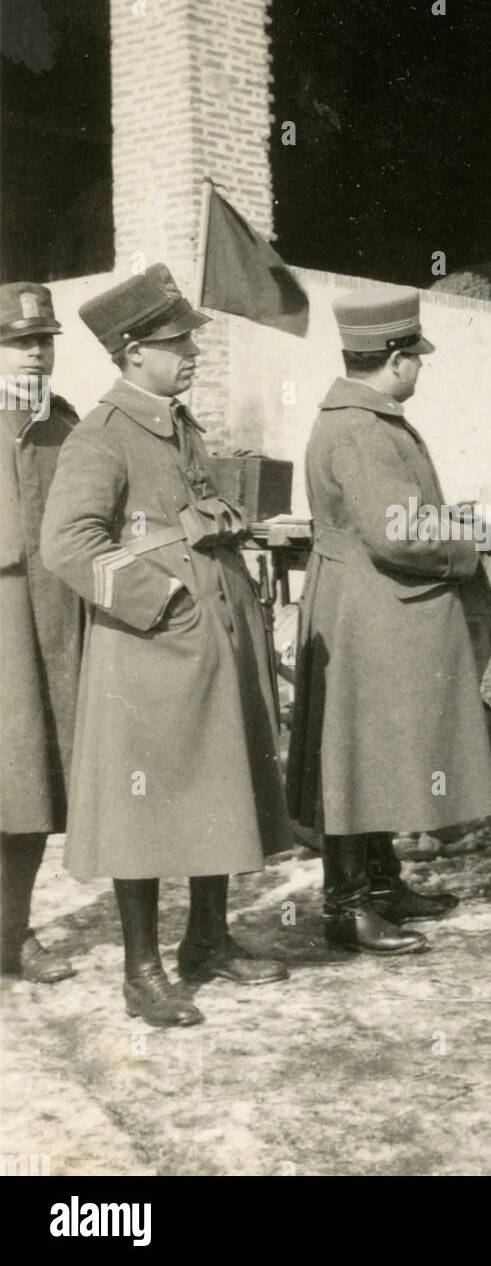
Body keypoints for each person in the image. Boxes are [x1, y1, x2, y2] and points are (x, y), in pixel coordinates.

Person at [41, 265, 291, 1025]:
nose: (192, 353)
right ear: (131, 351)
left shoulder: (177, 422)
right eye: (174, 343)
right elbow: (69, 545)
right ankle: (141, 971)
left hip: (207, 643)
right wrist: (165, 599)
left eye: (188, 341)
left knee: (219, 786)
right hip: (149, 653)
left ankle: (207, 942)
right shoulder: (102, 434)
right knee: (141, 813)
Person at [286, 286, 491, 955]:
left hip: (371, 605)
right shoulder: (362, 429)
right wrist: (479, 538)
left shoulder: (361, 417)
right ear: (395, 360)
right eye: (415, 355)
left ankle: (383, 885)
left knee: (372, 756)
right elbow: (398, 534)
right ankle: (348, 906)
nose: (419, 366)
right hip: (374, 610)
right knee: (355, 760)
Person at [1, 283, 81, 983]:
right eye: (19, 341)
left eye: (43, 340)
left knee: (27, 790)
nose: (33, 353)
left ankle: (11, 936)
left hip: (48, 627)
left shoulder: (65, 422)